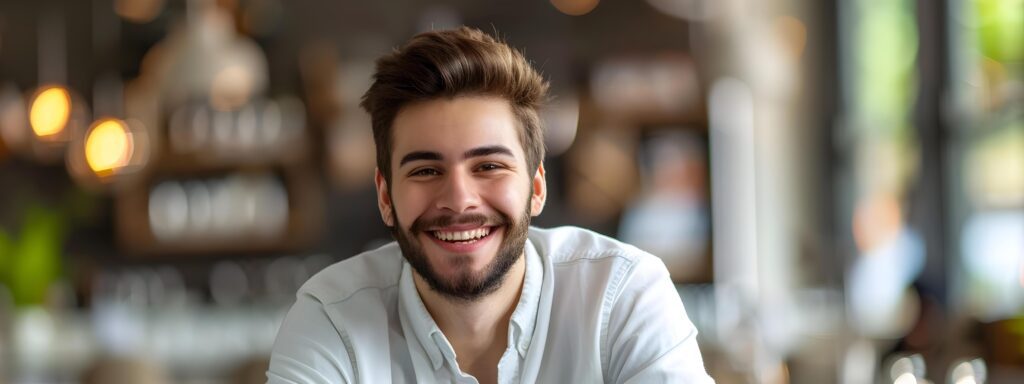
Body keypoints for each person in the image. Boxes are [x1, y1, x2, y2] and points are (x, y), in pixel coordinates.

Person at [267, 26, 714, 384]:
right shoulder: (332, 320)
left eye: (488, 166)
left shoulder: (621, 296)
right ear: (386, 197)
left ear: (536, 187)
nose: (459, 199)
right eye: (425, 170)